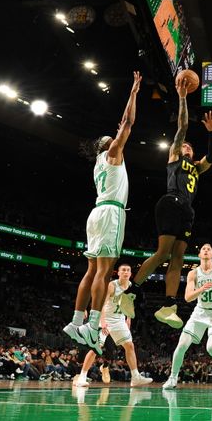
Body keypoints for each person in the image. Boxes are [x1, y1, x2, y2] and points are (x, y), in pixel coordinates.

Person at [127, 77, 212, 329]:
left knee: (178, 259)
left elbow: (211, 157)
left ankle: (169, 305)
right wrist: (182, 97)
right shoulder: (175, 156)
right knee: (163, 253)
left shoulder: (197, 167)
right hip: (170, 202)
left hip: (187, 210)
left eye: (189, 146)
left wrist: (211, 133)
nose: (187, 146)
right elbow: (182, 126)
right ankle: (132, 290)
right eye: (185, 145)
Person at [63, 71, 141, 354]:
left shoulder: (99, 162)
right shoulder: (112, 154)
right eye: (113, 137)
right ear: (107, 145)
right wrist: (133, 93)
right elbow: (129, 123)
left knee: (92, 269)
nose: (116, 136)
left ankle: (75, 322)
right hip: (110, 214)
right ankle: (93, 324)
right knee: (105, 272)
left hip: (96, 213)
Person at [73, 264, 152, 388]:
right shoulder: (112, 285)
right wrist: (102, 321)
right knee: (96, 347)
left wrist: (128, 318)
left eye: (128, 270)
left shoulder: (131, 286)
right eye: (123, 270)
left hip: (119, 320)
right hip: (105, 319)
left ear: (131, 274)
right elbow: (102, 304)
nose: (126, 272)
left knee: (129, 346)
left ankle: (135, 377)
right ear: (119, 273)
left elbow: (129, 303)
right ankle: (82, 377)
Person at [163, 243, 212, 389]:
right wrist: (201, 289)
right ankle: (173, 378)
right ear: (199, 255)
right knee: (181, 345)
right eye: (203, 249)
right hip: (200, 312)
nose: (205, 250)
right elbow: (187, 297)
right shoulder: (193, 273)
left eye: (209, 249)